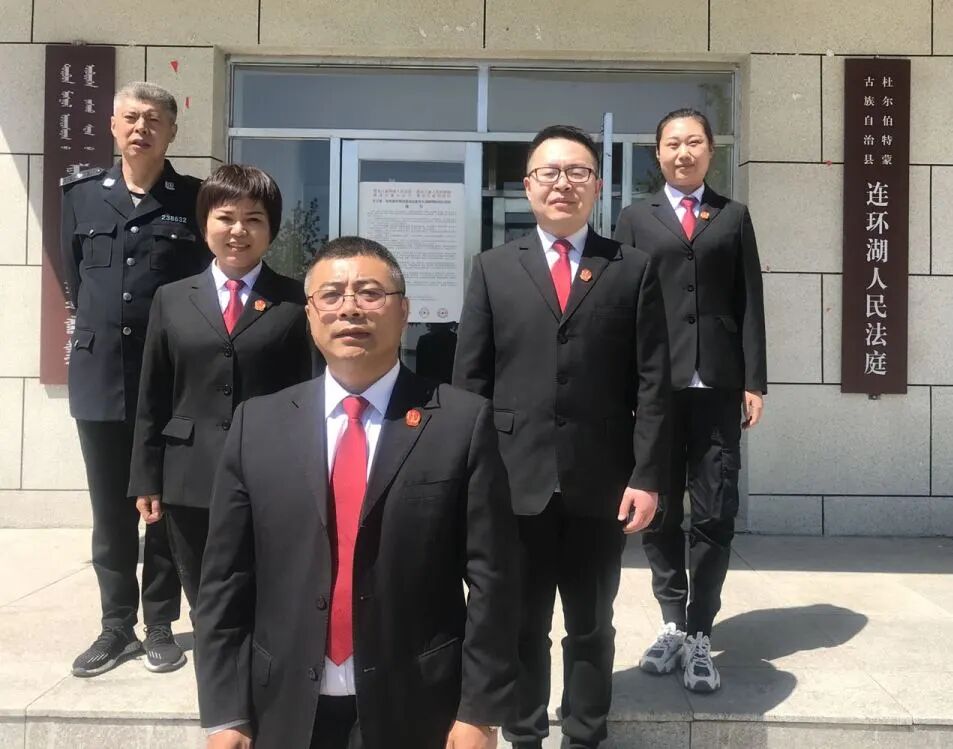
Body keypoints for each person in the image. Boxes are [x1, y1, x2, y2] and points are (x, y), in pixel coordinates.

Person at [195, 236, 519, 749]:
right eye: (331, 295)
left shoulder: (460, 422)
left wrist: (480, 711)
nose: (350, 308)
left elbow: (494, 579)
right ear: (309, 314)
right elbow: (223, 581)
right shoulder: (256, 424)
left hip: (417, 704)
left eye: (370, 293)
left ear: (403, 310)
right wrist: (224, 714)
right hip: (281, 704)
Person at [453, 125, 671, 749]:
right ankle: (524, 734)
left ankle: (584, 734)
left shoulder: (632, 268)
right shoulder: (494, 268)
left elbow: (654, 382)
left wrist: (647, 475)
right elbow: (471, 382)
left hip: (600, 483)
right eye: (548, 172)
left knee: (591, 624)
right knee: (521, 623)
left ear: (597, 185)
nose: (563, 184)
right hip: (512, 480)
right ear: (527, 187)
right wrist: (466, 478)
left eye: (577, 172)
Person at [613, 108, 767, 693]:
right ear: (657, 153)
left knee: (715, 509)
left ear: (710, 151)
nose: (684, 152)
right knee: (657, 508)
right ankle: (672, 621)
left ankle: (701, 629)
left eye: (694, 142)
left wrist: (755, 381)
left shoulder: (733, 216)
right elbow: (620, 304)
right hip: (655, 389)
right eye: (673, 144)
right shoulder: (635, 218)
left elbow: (750, 300)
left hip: (719, 387)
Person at [61, 81, 210, 677]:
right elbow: (75, 277)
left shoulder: (193, 199)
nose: (141, 128)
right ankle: (115, 625)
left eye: (153, 119)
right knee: (110, 512)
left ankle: (160, 624)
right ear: (113, 126)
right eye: (130, 117)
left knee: (164, 509)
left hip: (169, 379)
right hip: (101, 376)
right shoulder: (80, 195)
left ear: (172, 131)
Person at [128, 164, 313, 611]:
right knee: (205, 600)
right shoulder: (172, 298)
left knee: (266, 596)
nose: (238, 231)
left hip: (271, 475)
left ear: (271, 229)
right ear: (204, 223)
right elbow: (152, 394)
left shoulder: (295, 301)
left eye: (253, 219)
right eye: (226, 217)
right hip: (189, 475)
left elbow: (309, 395)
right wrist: (146, 478)